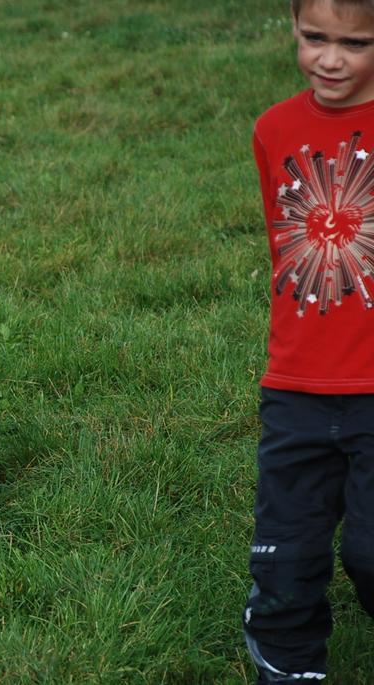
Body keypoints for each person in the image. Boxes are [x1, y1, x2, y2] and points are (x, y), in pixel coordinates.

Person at [243, 0, 374, 680]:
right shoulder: (274, 129)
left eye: (355, 43)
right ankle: (287, 664)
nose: (329, 58)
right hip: (294, 386)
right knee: (285, 560)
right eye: (313, 36)